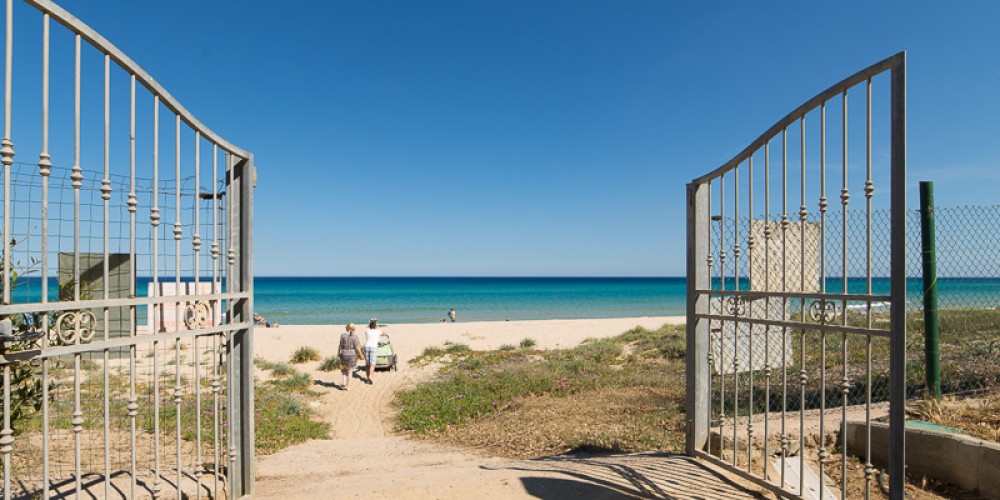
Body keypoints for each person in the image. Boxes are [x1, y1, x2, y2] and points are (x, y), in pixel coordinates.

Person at [338, 323, 363, 390]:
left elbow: (340, 346)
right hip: (352, 354)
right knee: (350, 371)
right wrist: (361, 355)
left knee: (343, 370)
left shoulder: (342, 336)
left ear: (347, 328)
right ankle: (348, 386)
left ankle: (343, 385)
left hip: (343, 353)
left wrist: (338, 353)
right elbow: (357, 347)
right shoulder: (355, 337)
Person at [363, 317, 384, 384]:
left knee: (367, 364)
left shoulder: (367, 331)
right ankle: (370, 376)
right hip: (373, 347)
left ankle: (367, 378)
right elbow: (383, 333)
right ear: (376, 326)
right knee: (373, 363)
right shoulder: (378, 331)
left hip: (366, 347)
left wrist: (372, 323)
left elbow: (369, 329)